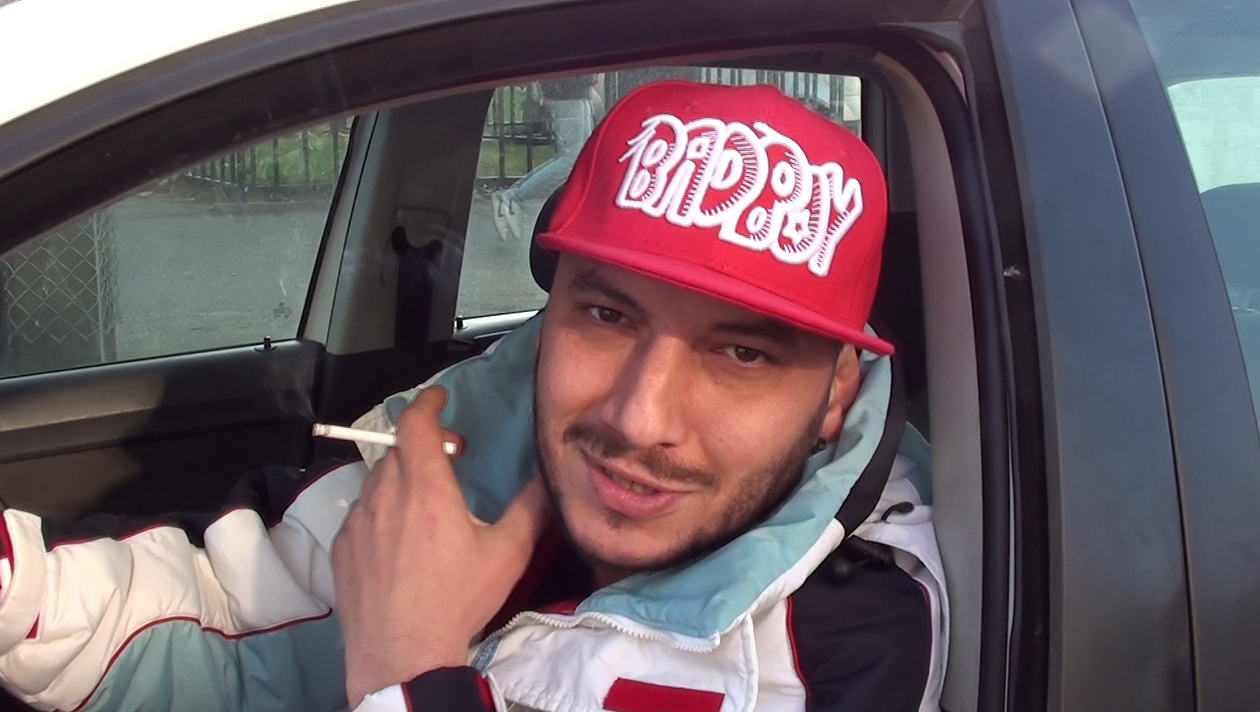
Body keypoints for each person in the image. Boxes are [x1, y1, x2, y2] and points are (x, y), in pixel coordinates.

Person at [0, 80, 947, 712]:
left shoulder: (846, 649)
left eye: (741, 354)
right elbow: (232, 615)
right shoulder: (471, 442)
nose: (637, 417)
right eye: (607, 316)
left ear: (836, 393)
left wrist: (408, 664)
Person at [492, 76, 597, 242]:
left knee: (574, 156)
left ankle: (512, 195)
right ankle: (514, 197)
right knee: (571, 159)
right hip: (567, 94)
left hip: (573, 93)